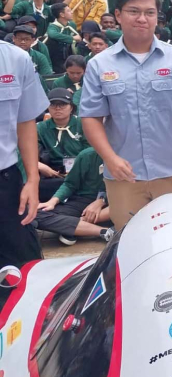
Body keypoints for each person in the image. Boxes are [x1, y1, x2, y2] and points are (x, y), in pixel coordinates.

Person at [79, 0, 172, 230]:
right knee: (130, 243)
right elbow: (91, 118)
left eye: (149, 12)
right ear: (118, 15)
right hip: (124, 177)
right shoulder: (99, 65)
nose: (142, 19)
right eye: (133, 11)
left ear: (158, 17)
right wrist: (110, 158)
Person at [0, 39, 48, 287]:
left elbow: (26, 121)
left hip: (6, 183)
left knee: (23, 272)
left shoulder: (16, 59)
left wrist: (32, 179)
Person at [36, 146, 113, 245]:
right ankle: (105, 231)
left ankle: (75, 227)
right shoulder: (87, 155)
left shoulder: (131, 155)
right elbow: (70, 184)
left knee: (131, 205)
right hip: (82, 200)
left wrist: (101, 200)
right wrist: (53, 201)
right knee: (35, 215)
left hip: (113, 202)